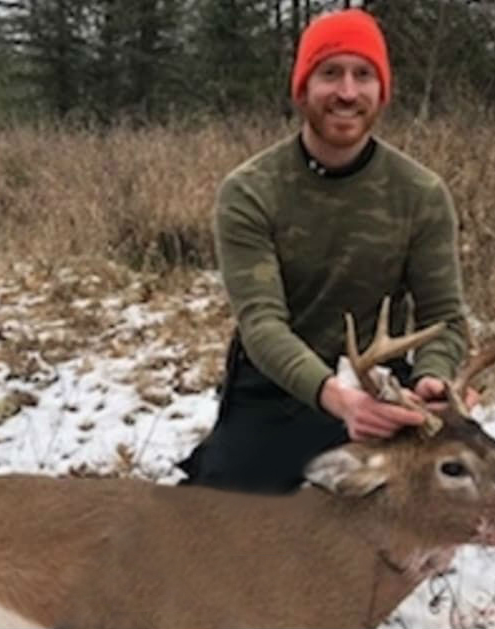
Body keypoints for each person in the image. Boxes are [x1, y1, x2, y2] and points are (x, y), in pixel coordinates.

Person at [176, 8, 470, 495]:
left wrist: (432, 380)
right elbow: (262, 323)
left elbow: (444, 317)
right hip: (281, 385)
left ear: (382, 90)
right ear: (303, 88)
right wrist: (336, 399)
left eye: (364, 75)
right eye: (330, 73)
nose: (348, 93)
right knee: (221, 521)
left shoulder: (420, 193)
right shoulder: (251, 190)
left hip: (382, 388)